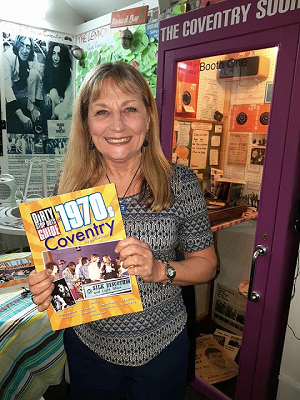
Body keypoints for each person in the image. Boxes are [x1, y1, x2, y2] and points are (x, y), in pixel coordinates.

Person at [28, 61, 217, 400]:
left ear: (147, 117)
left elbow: (207, 264)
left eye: (130, 108)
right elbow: (61, 274)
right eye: (102, 112)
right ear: (87, 124)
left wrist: (161, 270)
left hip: (162, 346)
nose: (117, 124)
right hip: (89, 349)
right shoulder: (69, 187)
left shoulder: (181, 183)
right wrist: (47, 286)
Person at [3, 35, 43, 133]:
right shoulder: (7, 57)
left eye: (28, 47)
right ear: (17, 45)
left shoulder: (33, 57)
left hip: (26, 94)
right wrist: (21, 116)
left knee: (34, 73)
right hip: (12, 93)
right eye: (22, 45)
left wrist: (35, 107)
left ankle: (31, 108)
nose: (25, 50)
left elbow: (39, 80)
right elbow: (6, 87)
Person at [43, 42, 73, 120]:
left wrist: (61, 117)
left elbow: (69, 98)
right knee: (52, 92)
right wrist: (47, 95)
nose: (55, 58)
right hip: (58, 100)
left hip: (68, 102)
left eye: (59, 55)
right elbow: (49, 88)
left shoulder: (69, 73)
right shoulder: (49, 68)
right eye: (54, 53)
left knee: (58, 111)